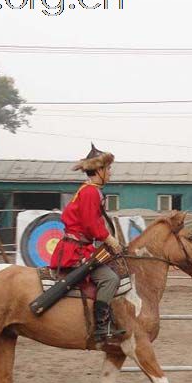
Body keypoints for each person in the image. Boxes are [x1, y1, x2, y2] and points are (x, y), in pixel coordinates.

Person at [50, 143, 126, 342]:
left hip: (79, 247)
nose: (110, 173)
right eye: (108, 169)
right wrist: (109, 239)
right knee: (110, 279)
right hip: (75, 250)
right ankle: (101, 327)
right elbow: (91, 224)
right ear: (99, 170)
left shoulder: (89, 190)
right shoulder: (91, 192)